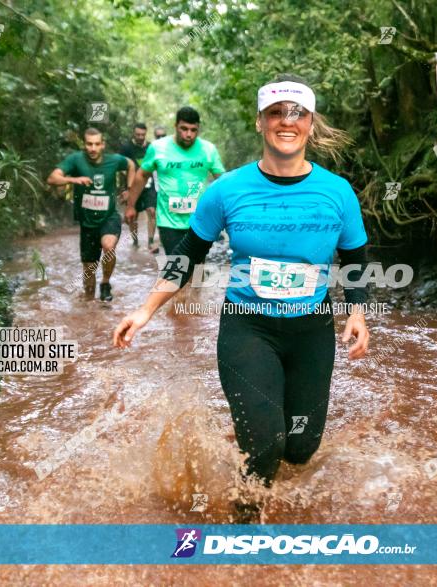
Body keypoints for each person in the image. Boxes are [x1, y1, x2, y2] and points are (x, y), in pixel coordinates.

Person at [113, 75, 371, 520]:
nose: (286, 122)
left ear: (310, 124)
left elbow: (355, 258)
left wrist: (358, 312)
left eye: (297, 114)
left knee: (301, 448)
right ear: (260, 122)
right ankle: (243, 525)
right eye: (276, 113)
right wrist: (145, 308)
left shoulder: (338, 192)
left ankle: (253, 433)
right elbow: (187, 255)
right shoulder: (227, 190)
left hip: (310, 330)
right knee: (267, 444)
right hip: (248, 326)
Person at [48, 128, 134, 302]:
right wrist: (73, 180)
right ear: (84, 144)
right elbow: (52, 178)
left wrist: (129, 190)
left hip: (109, 217)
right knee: (89, 273)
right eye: (89, 144)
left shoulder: (113, 160)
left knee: (108, 246)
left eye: (96, 144)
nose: (93, 148)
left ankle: (106, 282)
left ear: (102, 145)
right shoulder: (76, 160)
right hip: (87, 223)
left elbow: (131, 165)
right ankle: (89, 308)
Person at [126, 107, 225, 256]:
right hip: (169, 222)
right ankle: (181, 279)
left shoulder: (208, 150)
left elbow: (222, 181)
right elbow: (141, 176)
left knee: (196, 268)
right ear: (175, 126)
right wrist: (131, 206)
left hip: (199, 220)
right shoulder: (158, 148)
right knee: (178, 268)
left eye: (193, 130)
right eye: (184, 129)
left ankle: (193, 279)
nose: (188, 134)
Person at [118, 123, 154, 250]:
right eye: (138, 134)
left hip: (149, 185)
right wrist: (124, 189)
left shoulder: (151, 147)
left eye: (142, 135)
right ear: (134, 133)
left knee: (152, 211)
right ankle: (135, 241)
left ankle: (150, 242)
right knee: (133, 215)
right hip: (132, 186)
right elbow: (121, 168)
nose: (140, 137)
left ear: (146, 134)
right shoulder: (126, 147)